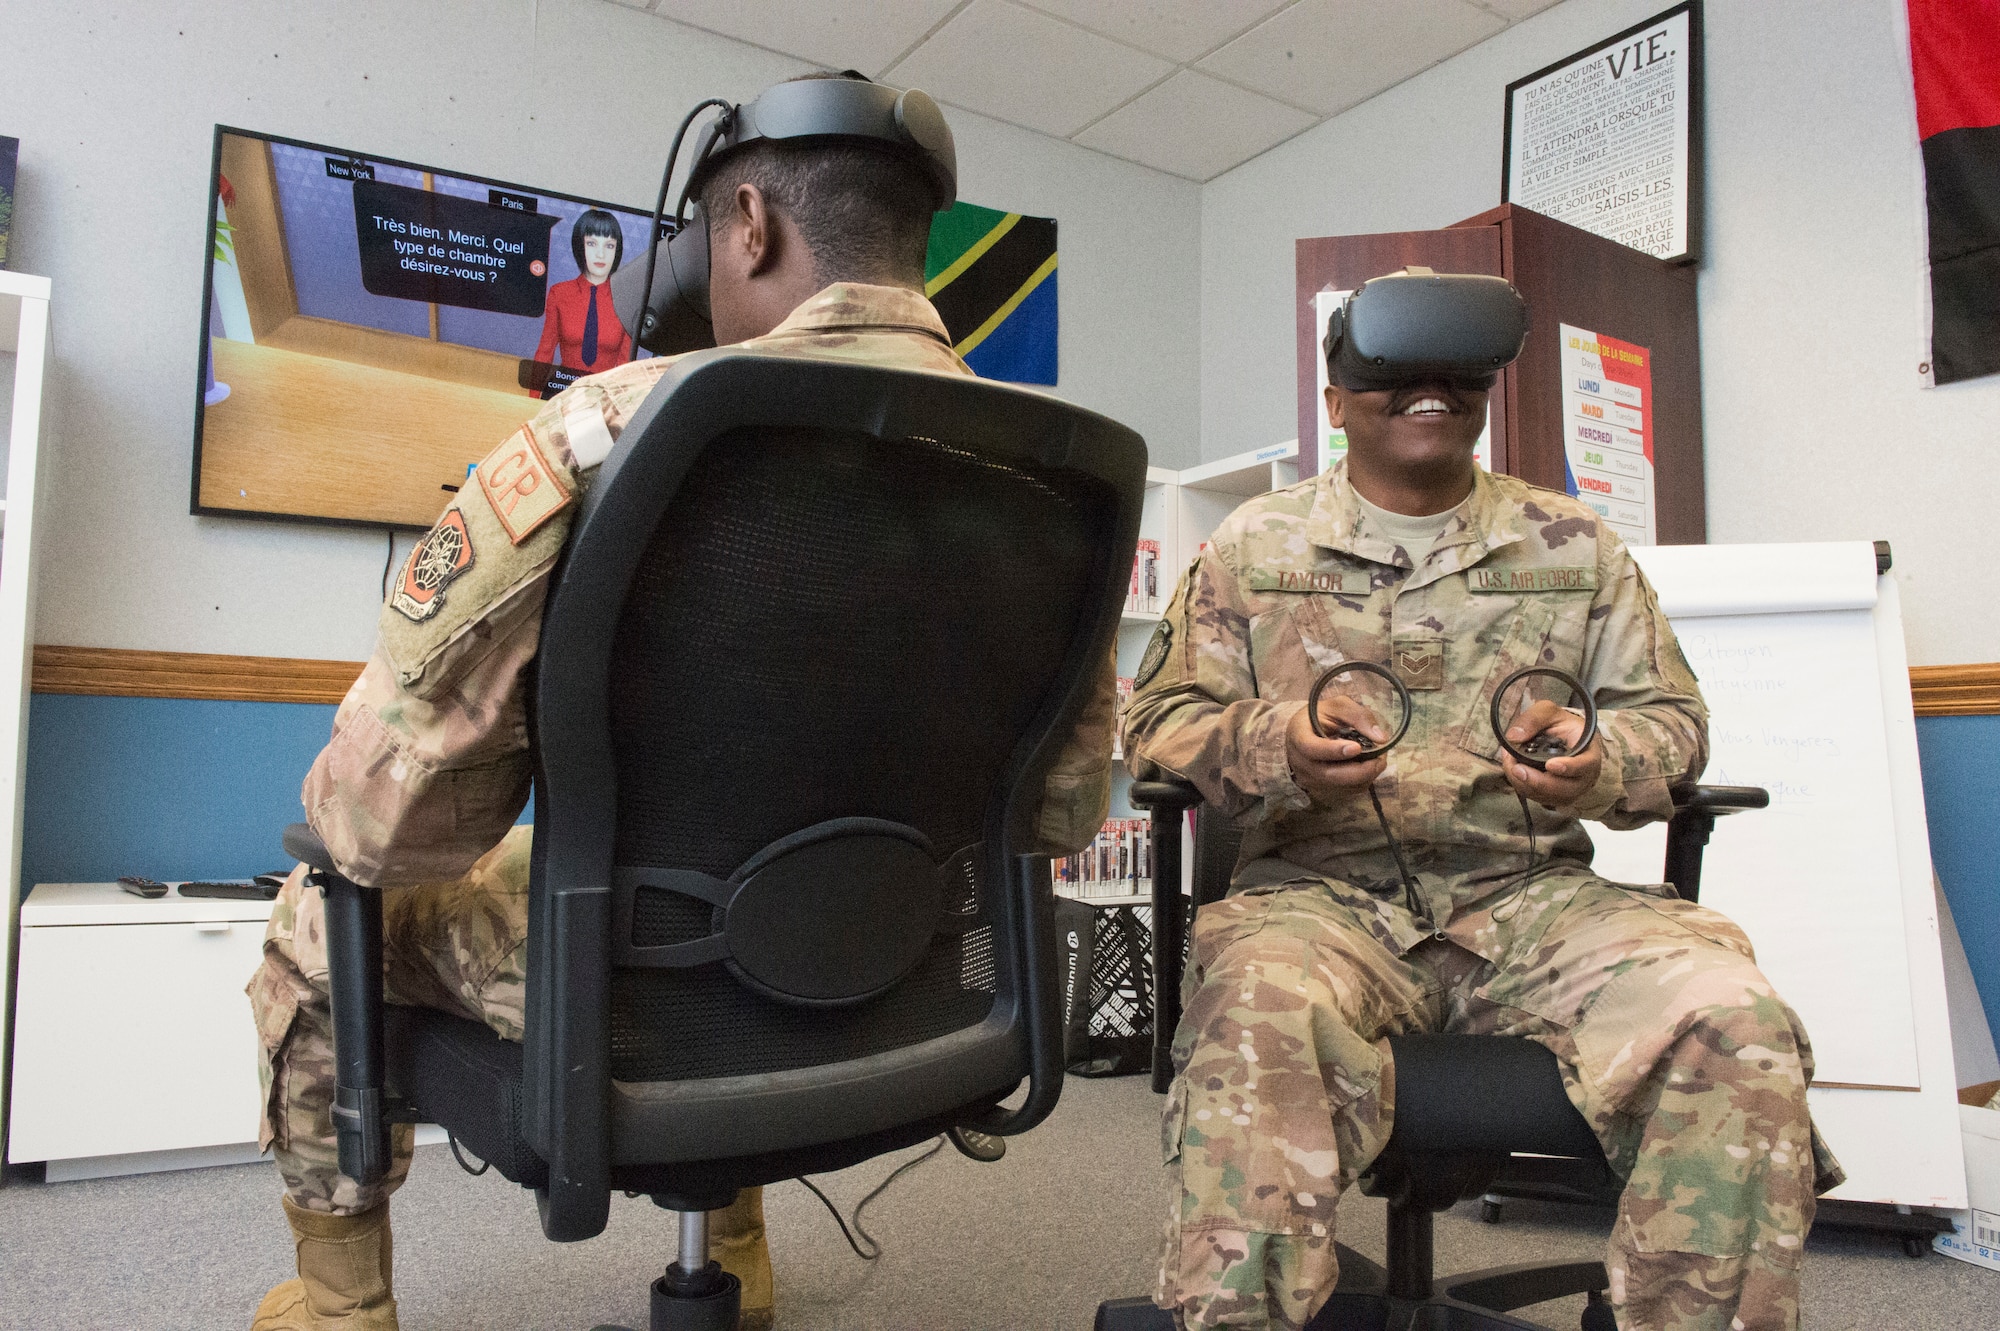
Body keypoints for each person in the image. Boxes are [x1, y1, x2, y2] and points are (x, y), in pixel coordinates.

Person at [247, 75, 1116, 1331]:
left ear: (746, 224)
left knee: (313, 912)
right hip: (912, 971)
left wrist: (334, 816)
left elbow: (395, 830)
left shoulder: (604, 429)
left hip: (648, 985)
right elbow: (1065, 807)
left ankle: (339, 1308)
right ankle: (738, 1248)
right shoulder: (1053, 465)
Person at [1124, 271, 1841, 1331]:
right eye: (1392, 376)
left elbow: (1671, 723)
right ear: (1332, 402)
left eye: (1456, 378)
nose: (1429, 394)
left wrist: (1598, 759)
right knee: (1257, 1009)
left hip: (1528, 897)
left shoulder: (1571, 546)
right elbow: (1160, 719)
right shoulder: (1251, 548)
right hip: (1318, 899)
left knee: (1728, 1016)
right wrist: (1274, 745)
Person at [532, 207, 633, 373]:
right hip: (563, 390)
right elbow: (545, 352)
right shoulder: (559, 293)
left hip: (605, 395)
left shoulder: (627, 300)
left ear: (617, 251)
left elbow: (626, 366)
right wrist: (534, 399)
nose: (600, 254)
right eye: (592, 244)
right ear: (580, 246)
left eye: (609, 246)